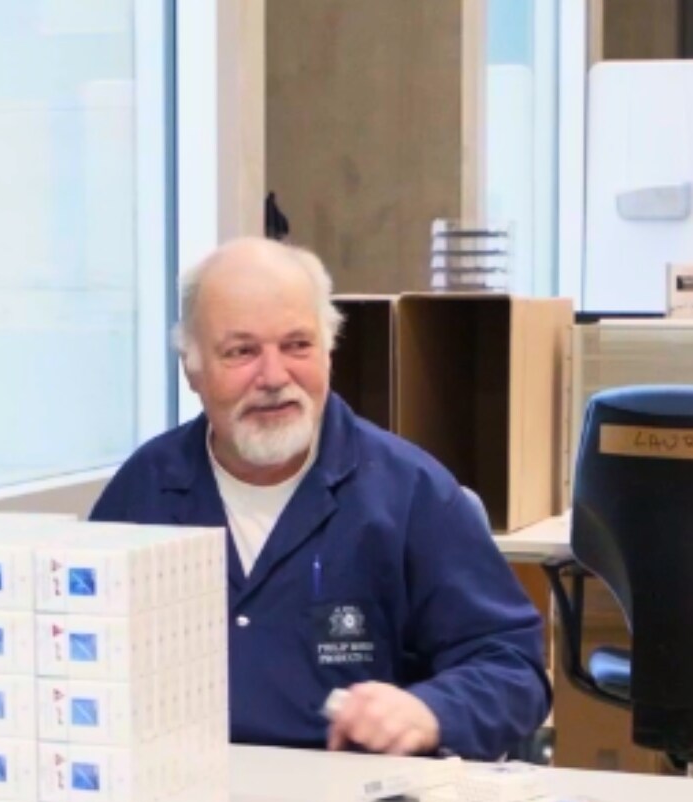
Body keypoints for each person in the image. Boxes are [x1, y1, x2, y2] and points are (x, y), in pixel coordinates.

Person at [90, 237, 551, 759]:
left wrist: (432, 710)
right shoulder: (144, 492)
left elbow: (513, 669)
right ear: (192, 369)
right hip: (182, 788)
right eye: (241, 352)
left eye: (297, 345)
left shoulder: (410, 493)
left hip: (356, 795)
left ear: (329, 350)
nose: (273, 377)